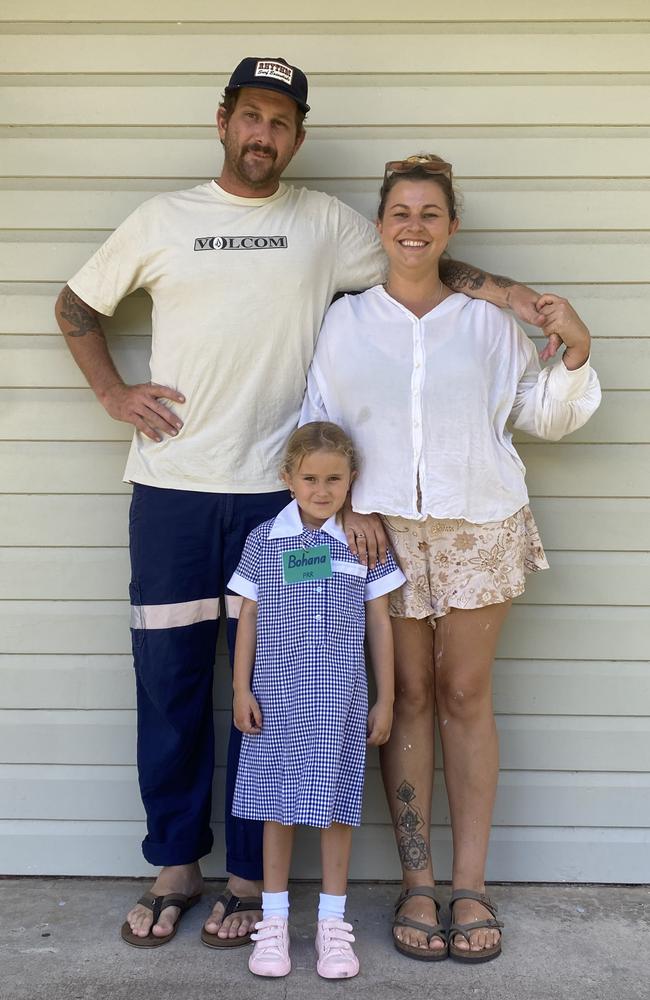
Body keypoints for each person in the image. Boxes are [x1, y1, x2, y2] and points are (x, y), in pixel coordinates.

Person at [53, 51, 566, 949]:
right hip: (173, 491)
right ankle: (176, 865)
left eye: (281, 122)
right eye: (250, 116)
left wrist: (512, 295)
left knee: (279, 693)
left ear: (298, 136)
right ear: (223, 121)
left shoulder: (327, 224)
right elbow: (74, 305)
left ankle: (252, 879)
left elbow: (427, 257)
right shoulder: (163, 219)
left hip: (284, 505)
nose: (264, 135)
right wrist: (112, 394)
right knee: (172, 686)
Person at [301, 154, 602, 963]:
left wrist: (572, 350)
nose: (413, 225)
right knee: (406, 699)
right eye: (400, 211)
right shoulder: (347, 320)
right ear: (381, 224)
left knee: (466, 693)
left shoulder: (489, 322)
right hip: (383, 533)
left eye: (430, 213)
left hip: (479, 520)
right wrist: (350, 500)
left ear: (452, 228)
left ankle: (469, 882)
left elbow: (542, 415)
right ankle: (418, 881)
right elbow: (319, 420)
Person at [228, 422, 404, 978]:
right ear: (288, 478)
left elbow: (379, 621)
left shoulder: (363, 545)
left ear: (352, 481)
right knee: (275, 809)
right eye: (310, 478)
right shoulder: (265, 540)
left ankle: (333, 925)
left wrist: (387, 697)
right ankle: (274, 923)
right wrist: (239, 687)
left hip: (339, 703)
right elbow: (248, 616)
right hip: (276, 700)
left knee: (334, 810)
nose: (322, 490)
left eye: (334, 479)